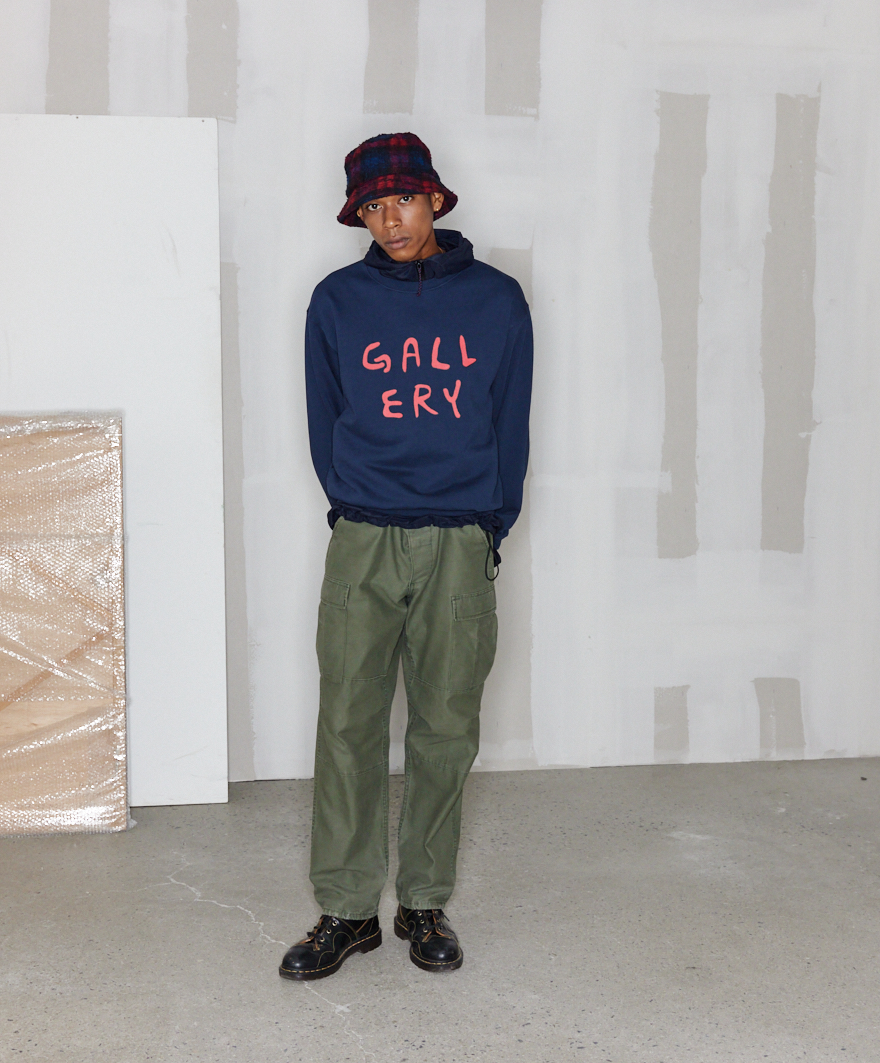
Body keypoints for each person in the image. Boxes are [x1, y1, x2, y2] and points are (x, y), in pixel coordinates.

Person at [279, 133, 533, 980]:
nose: (390, 220)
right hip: (364, 534)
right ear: (359, 215)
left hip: (459, 536)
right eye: (373, 207)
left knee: (445, 727)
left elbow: (510, 419)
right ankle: (346, 910)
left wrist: (489, 523)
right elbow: (324, 418)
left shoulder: (496, 300)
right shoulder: (337, 301)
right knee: (346, 722)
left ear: (436, 202)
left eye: (404, 201)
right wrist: (353, 505)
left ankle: (423, 901)